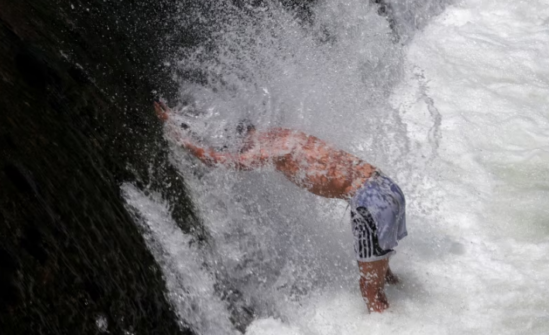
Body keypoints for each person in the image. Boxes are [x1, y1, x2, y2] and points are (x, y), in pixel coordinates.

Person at [154, 101, 407, 313]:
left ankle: (391, 325)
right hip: (387, 187)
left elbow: (218, 160)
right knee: (382, 273)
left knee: (369, 292)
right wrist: (179, 117)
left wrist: (183, 140)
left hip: (369, 204)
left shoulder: (267, 150)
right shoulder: (287, 134)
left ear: (242, 141)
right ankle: (408, 310)